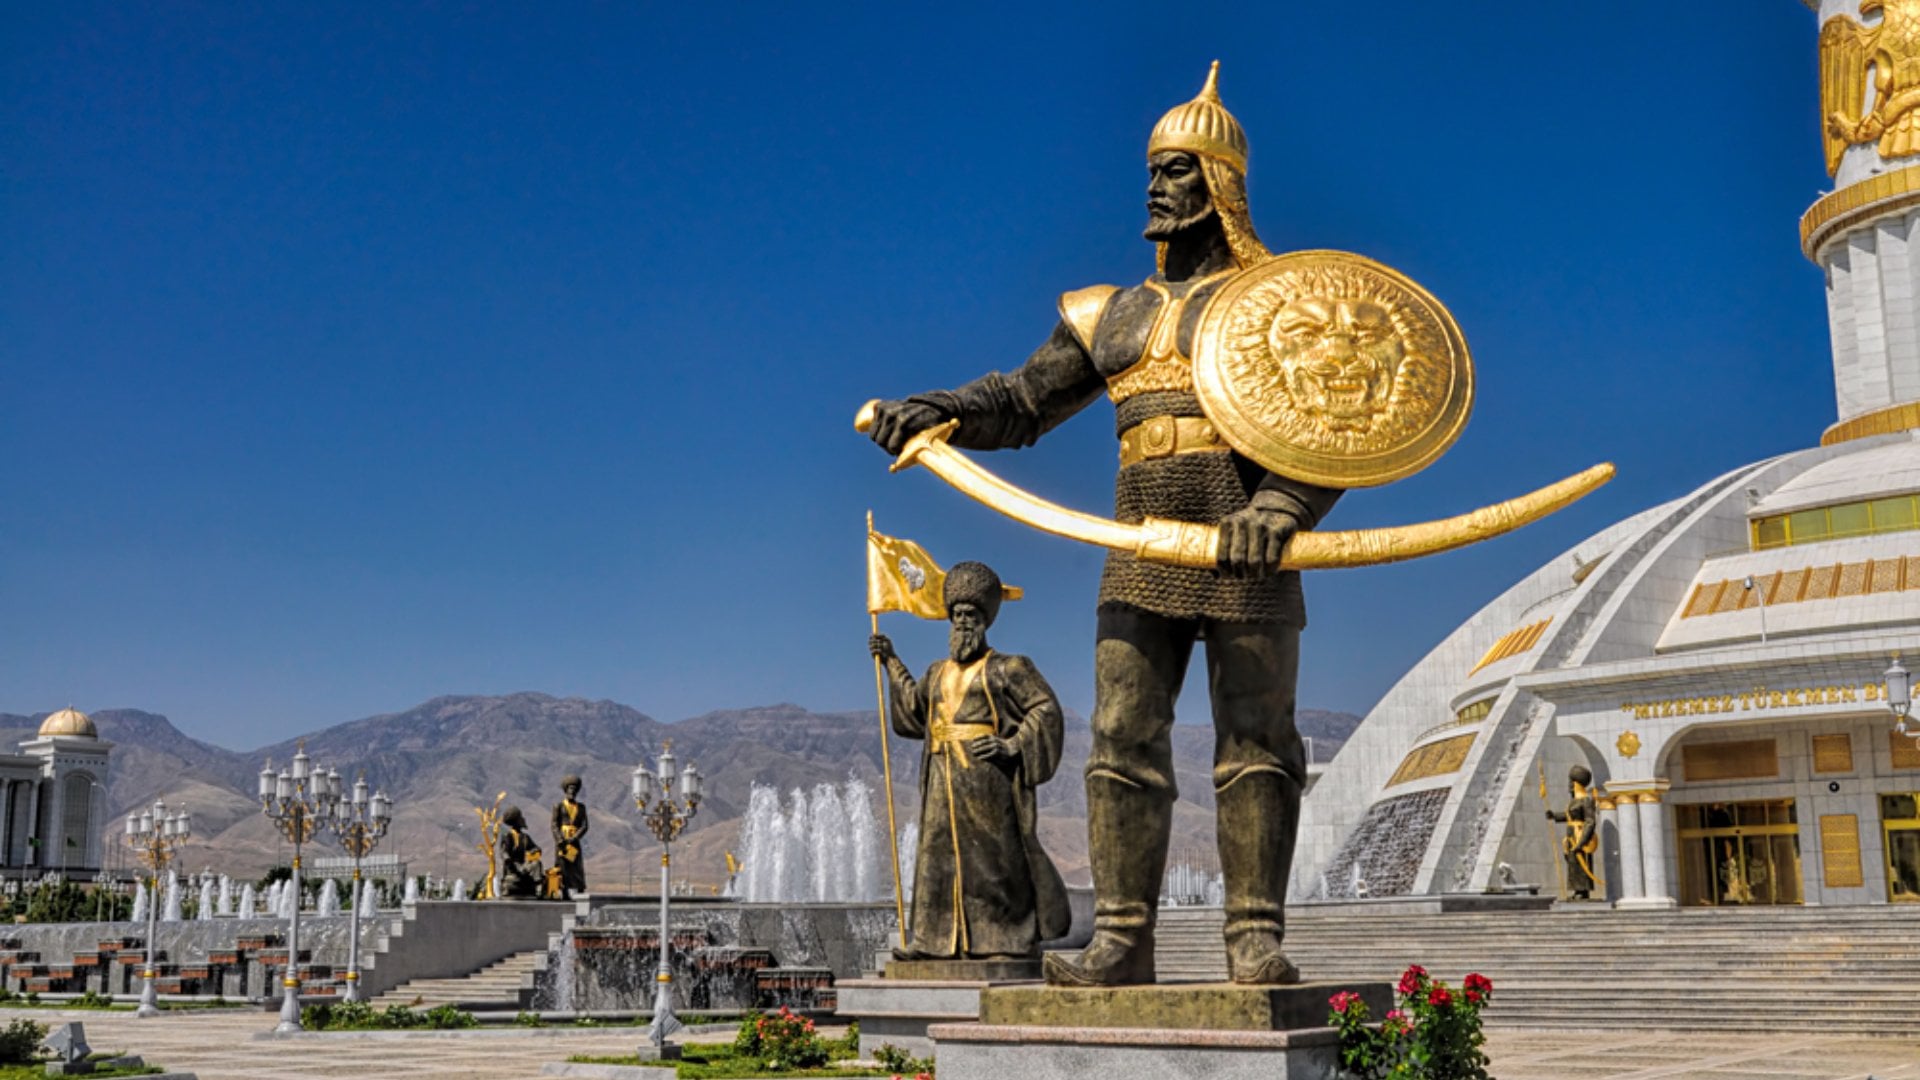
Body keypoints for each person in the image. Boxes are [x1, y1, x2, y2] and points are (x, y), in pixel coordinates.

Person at [863, 64, 1337, 986]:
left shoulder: (1275, 304)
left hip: (1248, 552)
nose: (1155, 186)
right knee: (1122, 735)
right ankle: (1122, 939)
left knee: (1256, 741)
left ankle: (1252, 938)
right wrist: (939, 410)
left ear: (1221, 185)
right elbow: (1022, 400)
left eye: (1175, 169)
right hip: (1141, 552)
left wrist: (1280, 504)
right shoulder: (1111, 314)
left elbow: (1332, 426)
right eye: (1153, 169)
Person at [870, 561, 1071, 960]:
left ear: (985, 620)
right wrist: (891, 662)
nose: (963, 622)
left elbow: (1046, 710)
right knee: (937, 862)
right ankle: (932, 943)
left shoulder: (1008, 668)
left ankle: (1007, 942)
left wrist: (1012, 746)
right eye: (957, 615)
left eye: (971, 616)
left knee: (994, 862)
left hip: (987, 778)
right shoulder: (936, 672)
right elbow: (913, 713)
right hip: (942, 778)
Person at [1544, 766, 1599, 900]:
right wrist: (1554, 815)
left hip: (1580, 836)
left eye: (1571, 782)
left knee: (1581, 862)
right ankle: (1576, 889)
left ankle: (1583, 890)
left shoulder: (1586, 800)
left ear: (1577, 784)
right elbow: (1570, 816)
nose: (1569, 785)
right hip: (1571, 836)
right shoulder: (1574, 801)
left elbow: (1590, 821)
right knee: (1573, 863)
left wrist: (1583, 841)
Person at [551, 776, 590, 900]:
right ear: (566, 790)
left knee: (576, 866)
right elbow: (554, 824)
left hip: (574, 841)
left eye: (574, 789)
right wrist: (560, 840)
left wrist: (575, 837)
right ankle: (562, 890)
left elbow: (584, 825)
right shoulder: (558, 806)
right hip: (562, 842)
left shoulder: (581, 808)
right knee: (562, 866)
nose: (572, 792)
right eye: (569, 789)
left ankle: (579, 888)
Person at [499, 807, 545, 899]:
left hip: (524, 865)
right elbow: (503, 851)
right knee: (515, 877)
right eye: (520, 818)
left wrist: (534, 851)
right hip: (513, 866)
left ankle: (539, 887)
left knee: (537, 863)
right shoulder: (507, 836)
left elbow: (536, 848)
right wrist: (507, 859)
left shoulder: (525, 837)